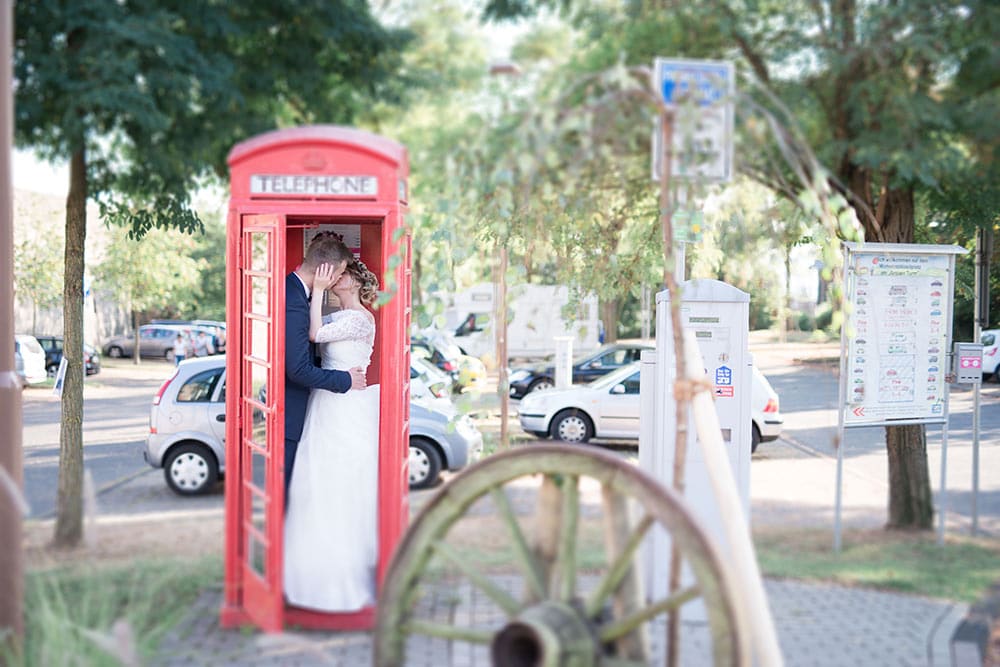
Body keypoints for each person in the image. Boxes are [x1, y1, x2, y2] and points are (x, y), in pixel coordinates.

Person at [283, 257, 380, 611]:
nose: (335, 278)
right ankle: (311, 566)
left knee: (337, 486)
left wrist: (318, 291)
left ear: (354, 283)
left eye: (342, 274)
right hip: (325, 401)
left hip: (343, 406)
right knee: (315, 485)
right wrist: (317, 295)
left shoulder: (359, 318)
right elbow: (304, 331)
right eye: (334, 273)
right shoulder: (340, 316)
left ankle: (342, 566)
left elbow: (313, 334)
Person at [283, 235, 366, 499]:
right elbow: (297, 368)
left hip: (320, 406)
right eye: (340, 271)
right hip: (296, 408)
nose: (339, 278)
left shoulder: (295, 292)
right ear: (326, 271)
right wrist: (345, 380)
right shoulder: (296, 301)